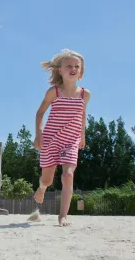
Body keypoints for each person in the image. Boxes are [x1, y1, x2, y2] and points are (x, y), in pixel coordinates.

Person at [29, 49, 90, 227]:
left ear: (81, 71)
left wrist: (82, 135)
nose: (73, 69)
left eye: (76, 66)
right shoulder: (53, 92)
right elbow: (40, 112)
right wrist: (38, 133)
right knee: (47, 180)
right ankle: (41, 188)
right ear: (60, 70)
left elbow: (82, 114)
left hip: (70, 141)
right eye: (68, 66)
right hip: (50, 140)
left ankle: (62, 216)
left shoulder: (85, 94)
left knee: (68, 175)